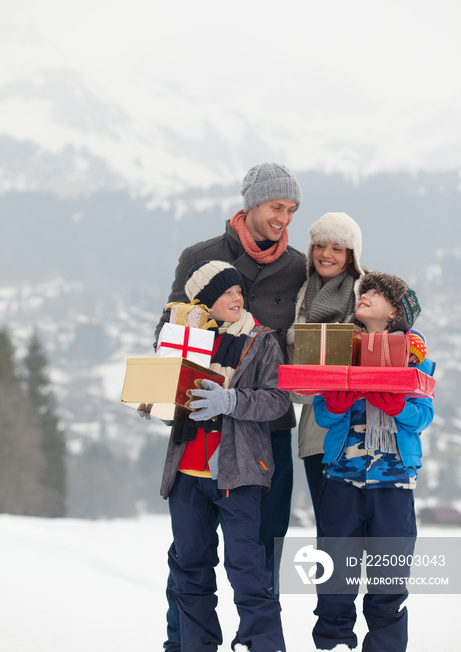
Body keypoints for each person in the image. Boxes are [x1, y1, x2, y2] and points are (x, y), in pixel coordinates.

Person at [155, 164, 306, 652]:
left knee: (260, 555)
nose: (284, 218)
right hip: (199, 432)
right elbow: (169, 336)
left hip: (267, 434)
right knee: (190, 556)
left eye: (291, 210)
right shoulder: (200, 257)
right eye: (275, 207)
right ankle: (183, 644)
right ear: (251, 204)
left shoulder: (300, 267)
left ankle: (259, 644)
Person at [159, 260, 289, 652]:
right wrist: (154, 402)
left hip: (239, 472)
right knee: (190, 570)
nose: (236, 298)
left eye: (238, 292)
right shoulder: (184, 340)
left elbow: (278, 400)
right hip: (187, 472)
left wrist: (231, 399)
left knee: (248, 569)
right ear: (204, 301)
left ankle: (265, 645)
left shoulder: (261, 340)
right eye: (226, 292)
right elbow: (169, 396)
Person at [311, 272, 435, 652]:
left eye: (376, 293)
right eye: (363, 291)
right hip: (342, 481)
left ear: (396, 310)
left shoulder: (417, 359)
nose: (364, 296)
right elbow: (323, 412)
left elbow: (422, 417)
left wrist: (396, 404)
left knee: (389, 582)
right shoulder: (339, 349)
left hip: (394, 485)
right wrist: (337, 401)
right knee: (334, 578)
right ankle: (333, 645)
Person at [286, 212, 366, 532]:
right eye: (320, 245)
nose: (326, 254)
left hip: (360, 429)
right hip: (318, 431)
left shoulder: (368, 294)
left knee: (363, 529)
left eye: (337, 248)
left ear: (351, 257)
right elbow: (295, 383)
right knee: (329, 529)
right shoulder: (301, 296)